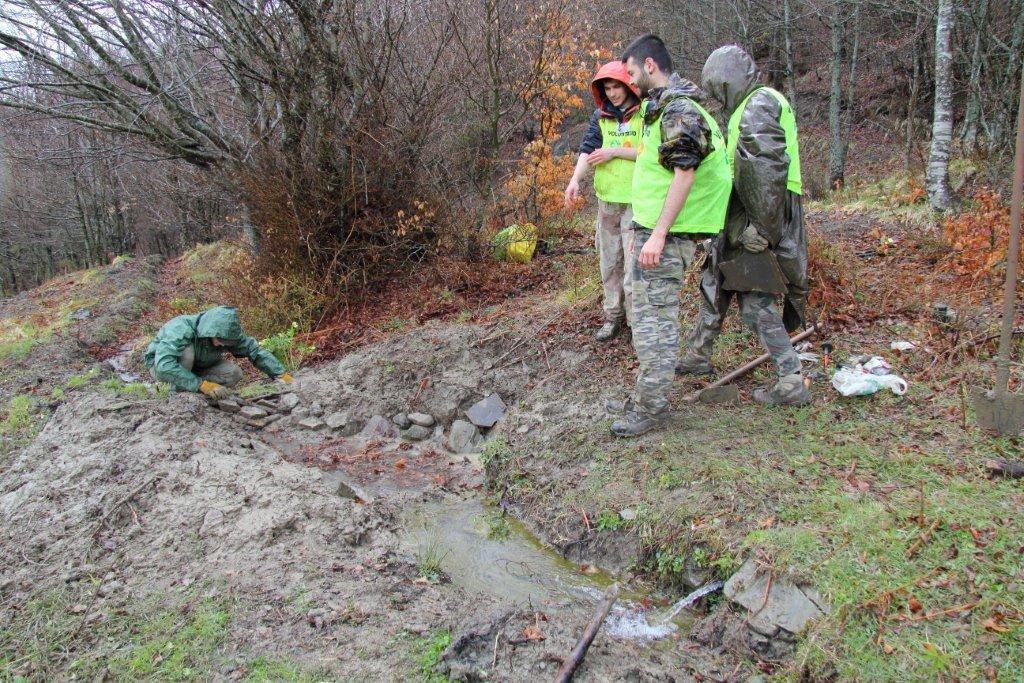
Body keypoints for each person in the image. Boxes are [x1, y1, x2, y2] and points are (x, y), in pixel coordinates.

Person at [608, 34, 732, 437]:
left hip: (666, 236)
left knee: (653, 323)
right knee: (648, 318)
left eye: (630, 73)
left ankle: (652, 408)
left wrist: (658, 234)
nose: (627, 82)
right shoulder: (661, 110)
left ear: (649, 66)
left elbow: (685, 172)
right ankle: (648, 396)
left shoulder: (679, 110)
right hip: (653, 231)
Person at [677, 45, 810, 406]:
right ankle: (699, 354)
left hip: (761, 212)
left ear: (725, 80)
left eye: (717, 88)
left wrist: (762, 228)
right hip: (746, 210)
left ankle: (790, 378)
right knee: (715, 280)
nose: (717, 97)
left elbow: (766, 169)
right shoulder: (749, 107)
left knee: (755, 300)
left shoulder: (758, 104)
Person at [564, 61, 643, 341]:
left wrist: (613, 152)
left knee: (635, 267)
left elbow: (651, 152)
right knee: (609, 263)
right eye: (607, 88)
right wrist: (575, 180)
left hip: (637, 202)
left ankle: (636, 325)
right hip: (607, 201)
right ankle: (612, 317)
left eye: (617, 87)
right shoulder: (600, 116)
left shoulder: (645, 113)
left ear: (628, 85)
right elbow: (587, 149)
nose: (612, 93)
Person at [144, 305, 292, 399]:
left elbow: (253, 349)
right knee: (187, 352)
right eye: (220, 340)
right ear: (209, 331)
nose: (222, 344)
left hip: (200, 365)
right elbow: (164, 366)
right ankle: (173, 392)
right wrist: (202, 385)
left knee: (234, 373)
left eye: (226, 342)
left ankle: (193, 388)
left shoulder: (228, 332)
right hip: (163, 368)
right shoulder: (180, 329)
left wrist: (279, 373)